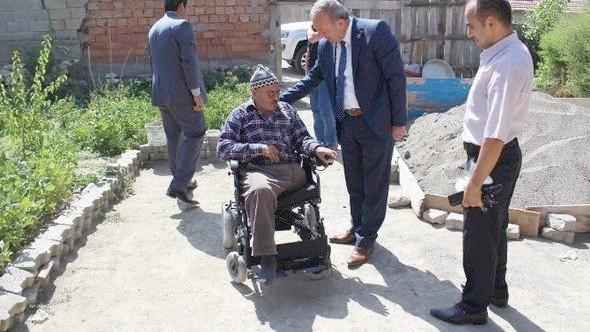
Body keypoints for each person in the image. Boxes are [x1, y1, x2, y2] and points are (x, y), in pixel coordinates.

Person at [280, 0, 407, 268]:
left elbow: (396, 77)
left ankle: (366, 240)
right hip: (347, 123)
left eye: (322, 30)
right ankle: (356, 227)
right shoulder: (327, 45)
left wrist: (399, 121)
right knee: (354, 181)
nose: (319, 36)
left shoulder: (375, 33)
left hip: (376, 124)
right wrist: (281, 99)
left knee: (374, 184)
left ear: (341, 22)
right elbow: (313, 78)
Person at [430, 0, 533, 325]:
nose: (468, 33)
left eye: (471, 25)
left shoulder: (506, 65)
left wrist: (475, 183)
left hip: (492, 159)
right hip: (497, 158)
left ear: (491, 23)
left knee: (478, 235)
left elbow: (495, 135)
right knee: (494, 228)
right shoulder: (506, 54)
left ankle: (474, 306)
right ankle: (496, 291)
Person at [217, 65, 337, 285]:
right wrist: (259, 149)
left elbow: (303, 138)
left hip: (290, 171)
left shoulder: (287, 111)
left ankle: (315, 250)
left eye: (277, 92)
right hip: (258, 172)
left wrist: (317, 148)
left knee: (298, 180)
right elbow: (223, 147)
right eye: (270, 94)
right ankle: (267, 256)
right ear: (254, 93)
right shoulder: (240, 115)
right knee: (261, 190)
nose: (276, 97)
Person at [148, 0, 207, 206]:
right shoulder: (182, 26)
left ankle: (181, 179)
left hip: (161, 93)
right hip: (182, 93)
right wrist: (196, 93)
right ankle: (179, 184)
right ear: (181, 6)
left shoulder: (154, 28)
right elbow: (188, 62)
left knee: (174, 136)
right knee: (196, 131)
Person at [307, 25, 338, 149]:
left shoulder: (334, 31)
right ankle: (320, 140)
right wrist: (326, 32)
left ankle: (331, 143)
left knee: (326, 110)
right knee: (315, 109)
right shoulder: (312, 28)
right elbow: (311, 38)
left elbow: (314, 38)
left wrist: (326, 32)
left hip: (326, 76)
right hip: (313, 75)